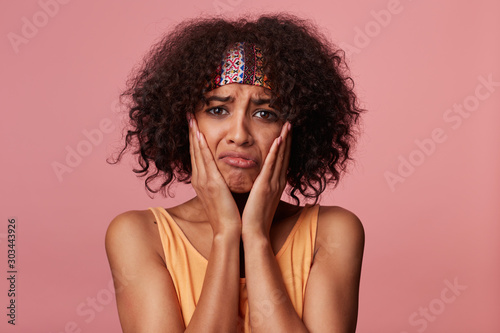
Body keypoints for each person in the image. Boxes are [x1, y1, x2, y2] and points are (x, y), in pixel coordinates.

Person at [105, 13, 365, 333]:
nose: (239, 134)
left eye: (264, 113)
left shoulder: (334, 233)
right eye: (218, 110)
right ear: (186, 123)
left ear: (295, 129)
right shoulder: (138, 235)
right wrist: (226, 233)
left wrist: (254, 236)